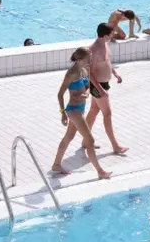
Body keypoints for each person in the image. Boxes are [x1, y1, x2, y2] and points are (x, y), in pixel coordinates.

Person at [49, 47, 112, 179]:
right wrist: (62, 113)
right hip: (73, 110)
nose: (90, 61)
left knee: (68, 137)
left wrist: (85, 94)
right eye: (88, 58)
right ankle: (100, 171)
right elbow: (60, 94)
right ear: (79, 59)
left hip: (81, 108)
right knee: (90, 140)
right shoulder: (71, 74)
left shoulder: (85, 70)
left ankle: (56, 165)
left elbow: (87, 87)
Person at [83, 23, 128, 155]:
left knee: (94, 110)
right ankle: (115, 146)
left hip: (103, 84)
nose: (114, 34)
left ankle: (85, 141)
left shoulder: (105, 44)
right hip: (97, 85)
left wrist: (115, 73)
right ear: (105, 35)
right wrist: (100, 89)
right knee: (107, 114)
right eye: (112, 33)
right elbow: (89, 72)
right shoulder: (93, 50)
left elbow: (107, 62)